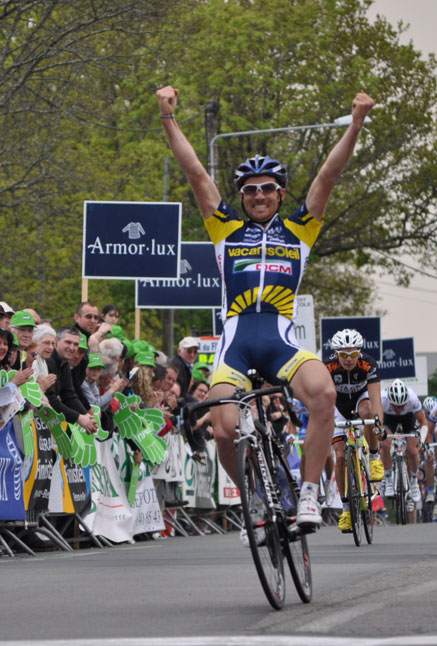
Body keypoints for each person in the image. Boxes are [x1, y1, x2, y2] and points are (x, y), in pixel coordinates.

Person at [156, 84, 374, 529]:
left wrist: (355, 124)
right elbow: (197, 173)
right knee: (222, 427)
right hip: (236, 341)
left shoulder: (299, 230)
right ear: (242, 197)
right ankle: (253, 497)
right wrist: (168, 118)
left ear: (280, 193)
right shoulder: (226, 229)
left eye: (268, 189)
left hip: (281, 339)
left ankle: (309, 496)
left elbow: (327, 177)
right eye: (250, 190)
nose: (258, 195)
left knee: (326, 394)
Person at [325, 328, 384, 533]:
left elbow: (376, 400)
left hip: (360, 400)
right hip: (337, 406)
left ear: (359, 353)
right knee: (340, 456)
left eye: (353, 354)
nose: (349, 359)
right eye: (343, 355)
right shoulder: (327, 367)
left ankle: (374, 458)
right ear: (336, 353)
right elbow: (323, 400)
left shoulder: (368, 364)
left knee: (368, 411)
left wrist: (378, 426)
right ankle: (347, 509)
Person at [381, 379, 432, 507]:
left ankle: (414, 482)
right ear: (390, 401)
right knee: (385, 446)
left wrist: (420, 440)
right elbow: (378, 423)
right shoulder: (382, 399)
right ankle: (388, 480)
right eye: (396, 406)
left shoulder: (412, 399)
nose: (399, 409)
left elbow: (423, 423)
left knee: (413, 451)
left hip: (408, 419)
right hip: (388, 419)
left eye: (402, 406)